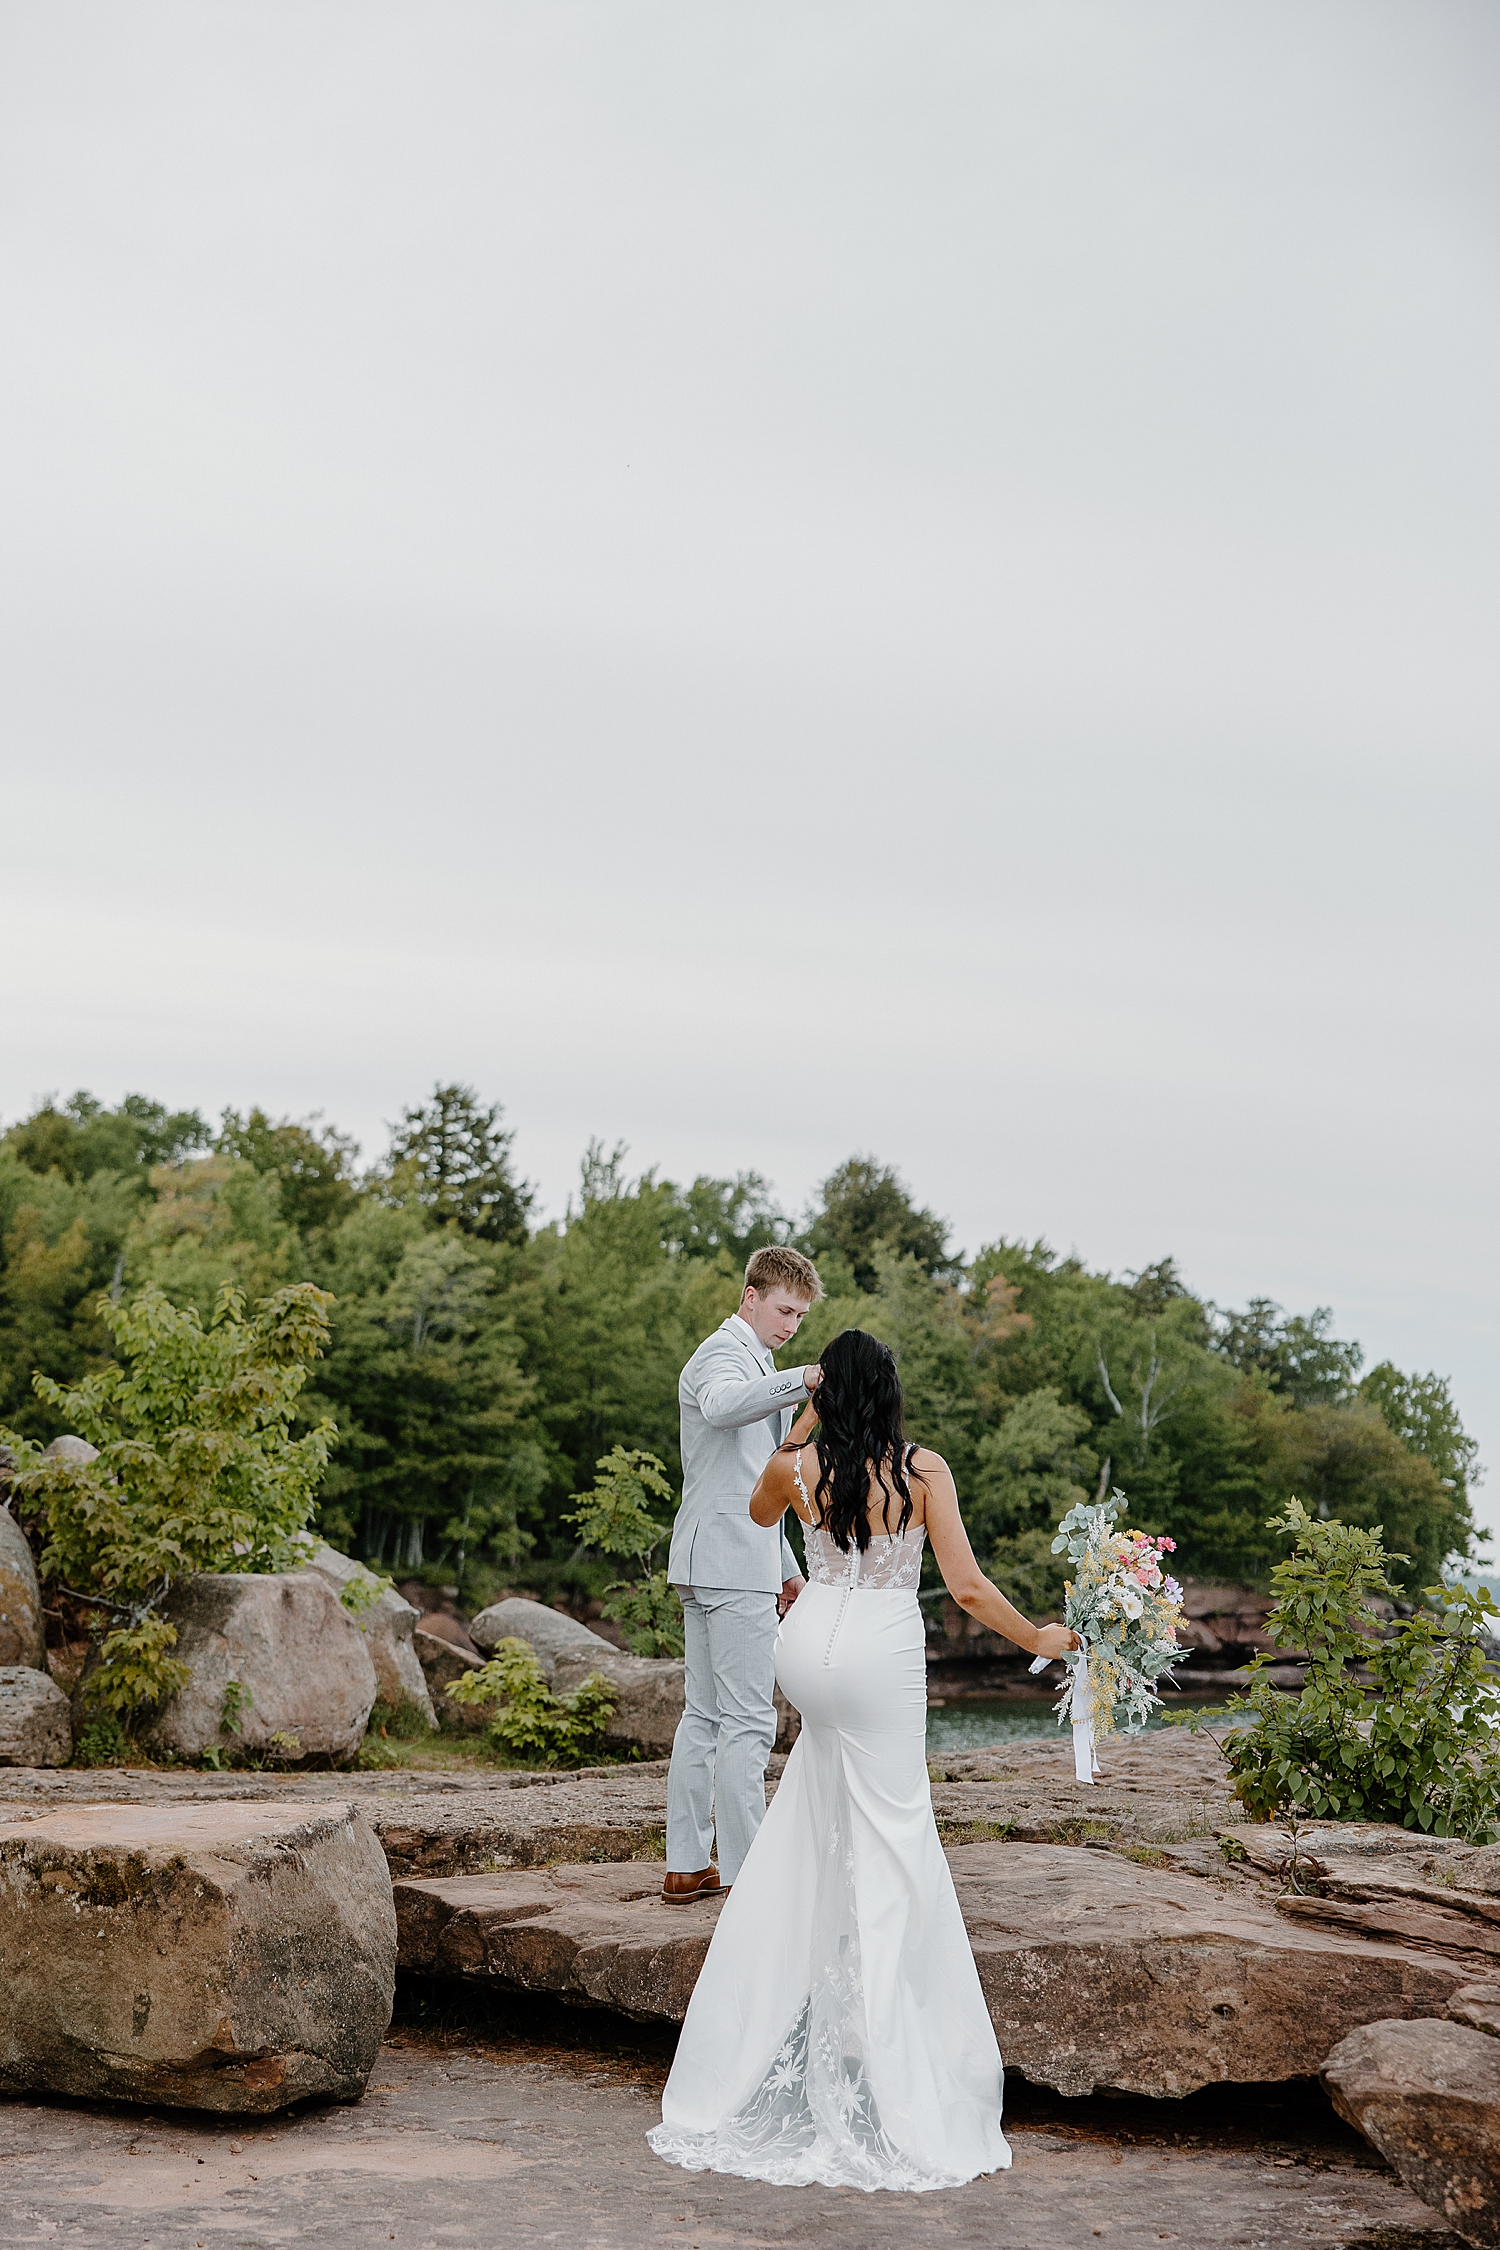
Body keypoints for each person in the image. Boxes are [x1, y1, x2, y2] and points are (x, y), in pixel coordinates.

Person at [649, 1326, 1079, 2192]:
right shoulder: (922, 1470)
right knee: (894, 1838)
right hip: (879, 1653)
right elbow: (962, 1587)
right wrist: (1036, 1635)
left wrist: (805, 1423)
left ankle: (752, 2043)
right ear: (888, 1392)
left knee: (808, 1825)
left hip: (805, 1650)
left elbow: (759, 1517)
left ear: (822, 1395)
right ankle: (890, 2060)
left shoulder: (794, 1466)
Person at [661, 1245, 825, 1904]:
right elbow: (726, 1407)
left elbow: (752, 1479)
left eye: (801, 1317)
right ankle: (746, 1874)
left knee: (703, 1716)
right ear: (751, 1296)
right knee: (747, 1722)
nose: (790, 1325)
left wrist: (784, 1566)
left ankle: (686, 1864)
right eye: (784, 1309)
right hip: (727, 1564)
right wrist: (804, 1378)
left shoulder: (753, 1358)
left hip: (724, 1556)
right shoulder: (721, 1356)